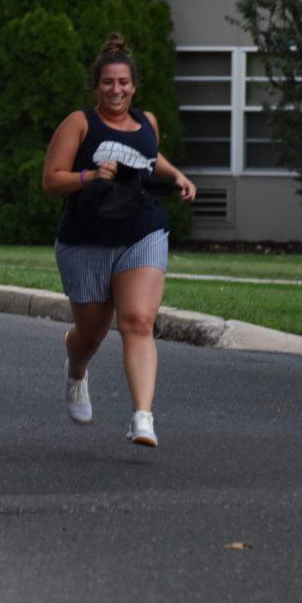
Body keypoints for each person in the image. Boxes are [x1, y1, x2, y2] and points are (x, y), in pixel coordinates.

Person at [42, 33, 196, 448]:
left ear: (134, 86)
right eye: (108, 82)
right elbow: (51, 179)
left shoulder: (148, 122)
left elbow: (148, 155)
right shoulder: (80, 124)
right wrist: (90, 176)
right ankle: (76, 370)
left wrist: (174, 174)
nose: (116, 90)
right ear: (97, 86)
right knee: (90, 333)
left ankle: (142, 417)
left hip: (141, 230)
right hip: (87, 238)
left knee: (138, 321)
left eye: (124, 83)